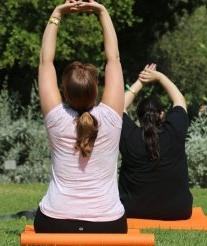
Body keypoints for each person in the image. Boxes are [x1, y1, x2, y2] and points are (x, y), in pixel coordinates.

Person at [35, 0, 126, 233]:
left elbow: (46, 61)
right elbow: (113, 59)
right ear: (96, 91)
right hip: (108, 223)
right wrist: (102, 12)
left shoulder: (56, 117)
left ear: (63, 92)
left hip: (54, 221)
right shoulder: (111, 116)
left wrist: (57, 14)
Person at [118, 64, 193, 220]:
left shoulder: (129, 135)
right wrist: (159, 77)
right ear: (162, 114)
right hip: (177, 211)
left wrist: (140, 82)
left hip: (131, 209)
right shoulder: (175, 131)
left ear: (138, 116)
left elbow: (119, 106)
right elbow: (179, 100)